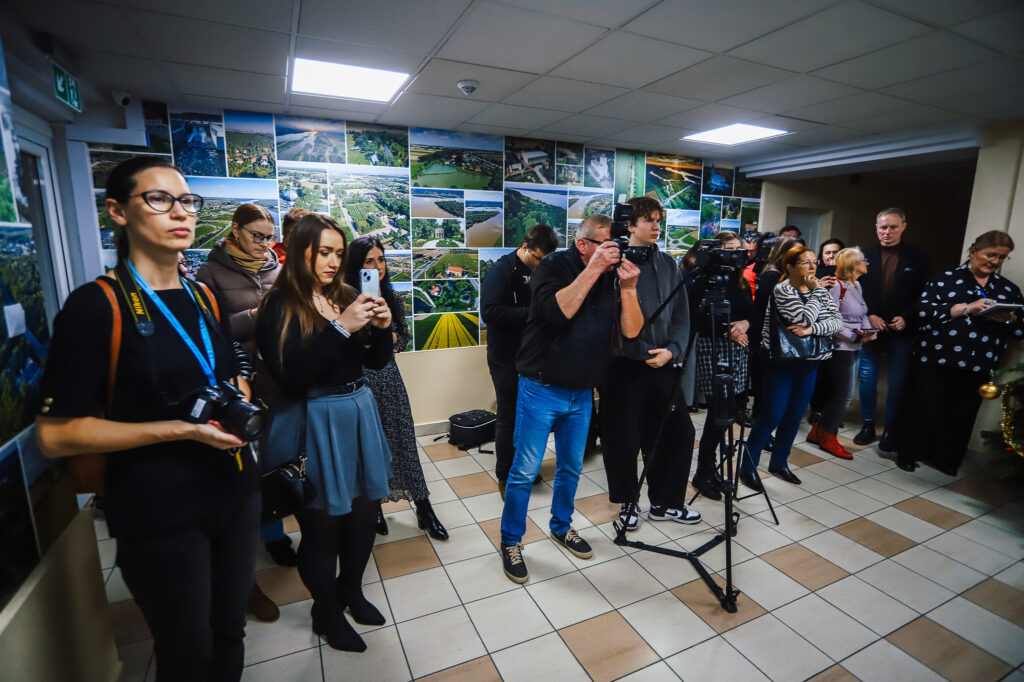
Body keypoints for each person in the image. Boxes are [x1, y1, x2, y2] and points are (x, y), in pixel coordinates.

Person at [36, 156, 261, 680]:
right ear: (118, 211)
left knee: (230, 633)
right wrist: (180, 429)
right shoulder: (96, 307)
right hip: (160, 508)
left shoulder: (202, 295)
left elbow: (229, 368)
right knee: (187, 649)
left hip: (235, 494)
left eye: (187, 201)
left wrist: (239, 392)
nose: (179, 212)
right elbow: (55, 435)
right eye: (159, 199)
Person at [255, 214, 394, 652]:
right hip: (314, 418)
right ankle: (326, 609)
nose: (334, 262)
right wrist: (341, 327)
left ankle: (351, 589)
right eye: (324, 252)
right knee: (322, 528)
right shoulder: (280, 303)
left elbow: (372, 365)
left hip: (358, 410)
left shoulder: (349, 295)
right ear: (301, 252)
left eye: (338, 252)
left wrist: (383, 332)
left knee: (364, 513)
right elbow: (291, 376)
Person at [499, 214, 642, 583]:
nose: (615, 251)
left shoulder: (615, 274)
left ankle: (561, 526)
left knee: (571, 468)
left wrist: (629, 289)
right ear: (584, 244)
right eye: (607, 244)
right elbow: (557, 312)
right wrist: (595, 268)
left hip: (582, 392)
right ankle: (511, 540)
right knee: (524, 471)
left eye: (617, 244)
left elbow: (631, 331)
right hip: (541, 387)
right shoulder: (553, 266)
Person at [196, 204, 294, 591]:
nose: (264, 243)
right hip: (243, 386)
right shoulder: (210, 272)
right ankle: (266, 538)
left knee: (282, 458)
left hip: (283, 377)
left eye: (269, 236)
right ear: (234, 231)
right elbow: (209, 333)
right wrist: (256, 314)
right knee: (252, 467)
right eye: (256, 235)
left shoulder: (277, 266)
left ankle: (283, 526)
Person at [601, 196, 697, 531]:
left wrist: (672, 350)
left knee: (676, 433)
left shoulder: (669, 264)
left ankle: (666, 502)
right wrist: (642, 352)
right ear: (629, 224)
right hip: (624, 367)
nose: (656, 226)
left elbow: (683, 315)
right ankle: (628, 503)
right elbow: (610, 320)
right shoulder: (611, 263)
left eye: (659, 220)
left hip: (664, 363)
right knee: (624, 438)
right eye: (648, 220)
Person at [343, 236, 449, 539]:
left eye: (381, 260)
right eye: (368, 262)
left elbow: (401, 339)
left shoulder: (391, 297)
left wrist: (384, 329)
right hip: (357, 383)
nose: (377, 268)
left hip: (388, 378)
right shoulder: (343, 299)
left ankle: (424, 506)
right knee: (369, 447)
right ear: (356, 266)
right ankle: (374, 505)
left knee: (403, 441)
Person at [896, 231, 1024, 474]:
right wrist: (966, 308)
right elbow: (921, 313)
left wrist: (1008, 319)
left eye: (1001, 258)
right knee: (925, 408)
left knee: (962, 414)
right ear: (973, 252)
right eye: (990, 255)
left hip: (979, 364)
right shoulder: (945, 279)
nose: (994, 262)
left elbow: (1019, 330)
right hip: (935, 359)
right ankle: (910, 453)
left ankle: (947, 459)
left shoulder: (1008, 289)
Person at [739, 246, 843, 491]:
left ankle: (779, 462)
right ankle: (747, 467)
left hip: (810, 361)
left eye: (814, 262)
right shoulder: (783, 289)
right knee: (771, 416)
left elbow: (836, 322)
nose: (812, 267)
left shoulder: (818, 289)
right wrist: (817, 296)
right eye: (805, 262)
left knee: (795, 415)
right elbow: (803, 318)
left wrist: (811, 330)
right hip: (782, 362)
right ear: (789, 266)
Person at [480, 224, 558, 498]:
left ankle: (523, 468)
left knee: (530, 417)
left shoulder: (543, 269)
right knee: (508, 417)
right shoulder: (501, 271)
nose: (540, 265)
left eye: (545, 260)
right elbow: (489, 312)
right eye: (537, 258)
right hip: (504, 358)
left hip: (533, 356)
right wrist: (534, 314)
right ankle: (505, 475)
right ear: (525, 247)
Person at [855, 208, 930, 449]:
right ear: (876, 228)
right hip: (871, 327)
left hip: (902, 328)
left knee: (896, 382)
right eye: (883, 227)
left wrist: (906, 317)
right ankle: (867, 424)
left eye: (893, 227)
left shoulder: (918, 258)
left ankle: (890, 428)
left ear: (903, 227)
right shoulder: (862, 256)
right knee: (867, 379)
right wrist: (869, 314)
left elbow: (925, 296)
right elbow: (854, 292)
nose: (887, 232)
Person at [690, 231, 755, 500]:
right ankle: (702, 472)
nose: (734, 254)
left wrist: (744, 325)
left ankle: (711, 468)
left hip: (738, 347)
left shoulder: (737, 279)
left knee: (728, 412)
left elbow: (751, 312)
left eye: (738, 249)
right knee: (718, 413)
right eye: (729, 249)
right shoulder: (701, 279)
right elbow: (695, 317)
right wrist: (730, 330)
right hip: (712, 346)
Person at [807, 247, 876, 459]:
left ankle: (818, 431)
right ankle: (829, 436)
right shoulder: (837, 287)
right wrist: (856, 336)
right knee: (842, 395)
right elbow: (831, 320)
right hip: (841, 348)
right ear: (851, 264)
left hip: (855, 345)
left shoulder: (856, 285)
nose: (867, 262)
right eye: (863, 259)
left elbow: (861, 313)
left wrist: (869, 331)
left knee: (837, 392)